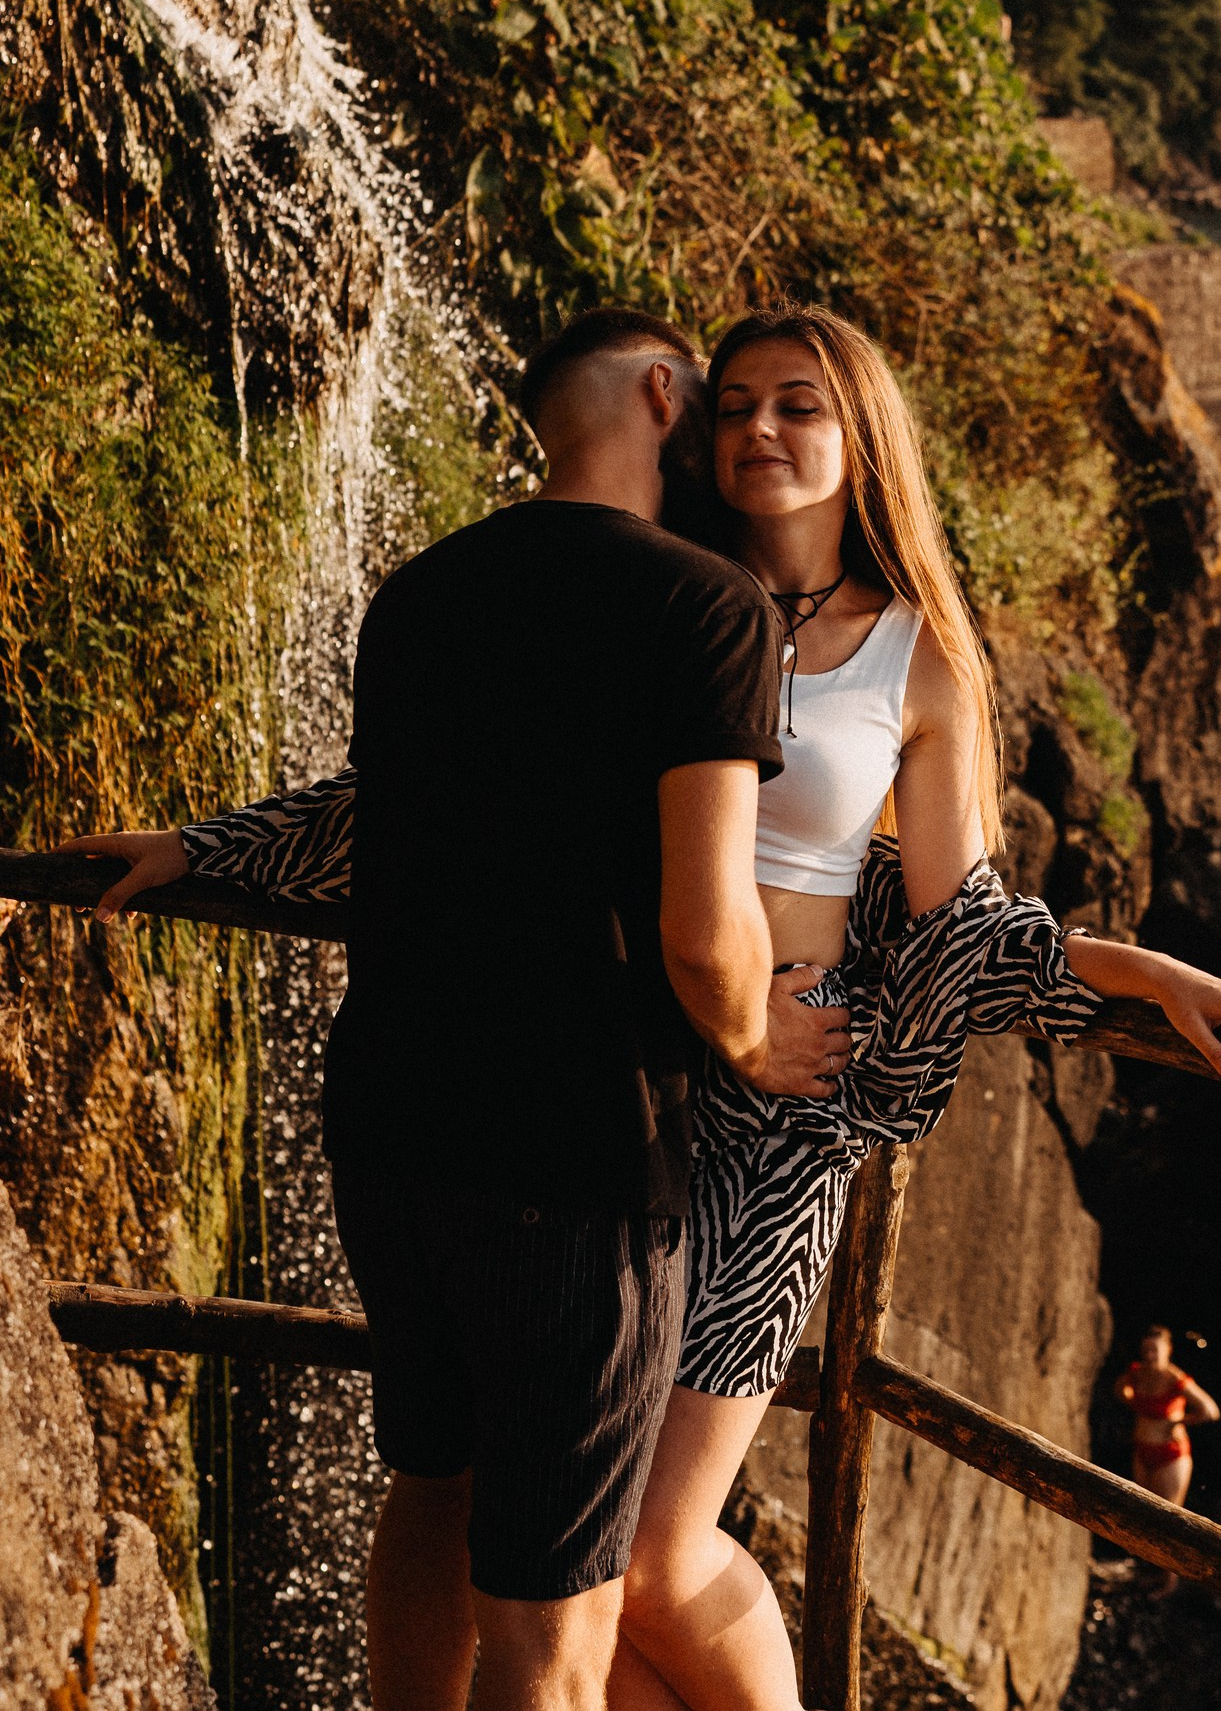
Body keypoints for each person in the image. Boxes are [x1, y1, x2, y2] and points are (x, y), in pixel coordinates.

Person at [71, 304, 1221, 1711]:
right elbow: (459, 802)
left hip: (778, 1121)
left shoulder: (918, 655)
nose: (759, 432)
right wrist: (213, 847)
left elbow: (958, 908)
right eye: (733, 407)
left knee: (657, 1557)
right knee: (568, 1548)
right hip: (632, 1082)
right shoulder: (665, 592)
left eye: (799, 406)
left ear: (863, 437)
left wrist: (1141, 971)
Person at [64, 308, 814, 1711]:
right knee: (554, 1625)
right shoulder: (708, 608)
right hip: (575, 1144)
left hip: (390, 1123)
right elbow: (711, 934)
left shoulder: (418, 592)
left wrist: (204, 847)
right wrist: (760, 1040)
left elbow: (393, 818)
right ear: (663, 394)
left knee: (430, 1482)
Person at [1116, 1324, 1219, 1509]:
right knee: (1140, 1511)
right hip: (1142, 1451)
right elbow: (1120, 1391)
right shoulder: (1137, 1373)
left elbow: (1210, 1411)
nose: (1149, 1355)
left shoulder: (1175, 1379)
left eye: (1154, 1350)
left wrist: (1177, 1421)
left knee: (1167, 1514)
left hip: (1170, 1456)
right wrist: (1133, 1402)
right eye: (1146, 1350)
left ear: (1167, 1350)